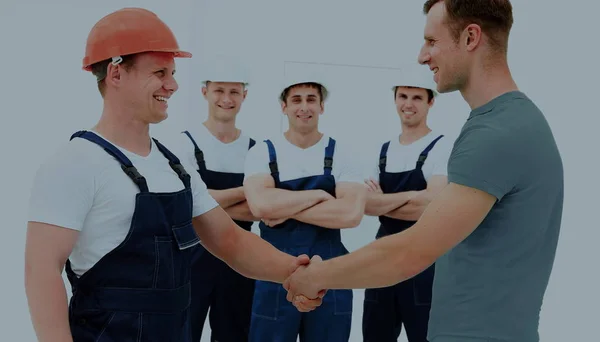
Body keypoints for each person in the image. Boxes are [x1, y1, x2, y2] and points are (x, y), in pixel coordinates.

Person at [23, 8, 321, 342]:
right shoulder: (74, 164)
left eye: (173, 73)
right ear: (116, 73)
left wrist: (296, 272)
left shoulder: (174, 167)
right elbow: (41, 272)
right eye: (161, 72)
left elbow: (231, 242)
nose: (173, 85)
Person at [283, 1, 564, 342]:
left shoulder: (496, 134)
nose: (422, 56)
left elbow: (409, 252)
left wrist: (316, 276)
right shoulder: (513, 122)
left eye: (432, 41)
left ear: (470, 37)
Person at [242, 75, 367, 342]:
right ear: (283, 106)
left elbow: (350, 214)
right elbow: (260, 205)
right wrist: (322, 196)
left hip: (331, 275)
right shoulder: (262, 152)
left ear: (322, 106)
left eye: (311, 99)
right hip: (275, 273)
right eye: (296, 100)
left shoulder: (343, 153)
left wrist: (282, 206)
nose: (304, 107)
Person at [167, 56, 259, 342]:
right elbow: (188, 204)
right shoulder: (185, 142)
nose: (226, 99)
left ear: (244, 95)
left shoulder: (256, 150)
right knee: (184, 333)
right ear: (205, 91)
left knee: (236, 334)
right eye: (219, 90)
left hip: (241, 257)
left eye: (234, 92)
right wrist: (247, 192)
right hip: (193, 257)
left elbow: (260, 210)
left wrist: (208, 200)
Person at [361, 66, 453, 342]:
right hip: (382, 258)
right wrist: (414, 196)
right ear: (395, 99)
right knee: (375, 335)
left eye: (416, 98)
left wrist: (383, 201)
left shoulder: (443, 147)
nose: (408, 104)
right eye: (403, 96)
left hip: (424, 261)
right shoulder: (382, 150)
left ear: (431, 101)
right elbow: (364, 205)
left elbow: (432, 204)